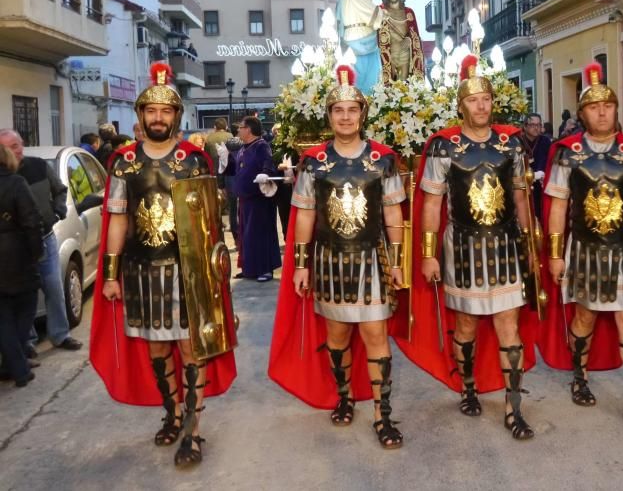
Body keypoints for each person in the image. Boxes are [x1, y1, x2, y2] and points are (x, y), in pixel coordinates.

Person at [89, 63, 237, 467]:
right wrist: (110, 274)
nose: (158, 118)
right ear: (141, 116)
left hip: (187, 271)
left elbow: (210, 221)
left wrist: (217, 271)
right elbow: (117, 218)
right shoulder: (123, 162)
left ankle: (192, 429)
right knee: (156, 347)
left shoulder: (194, 160)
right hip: (141, 271)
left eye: (166, 112)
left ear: (177, 116)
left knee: (192, 348)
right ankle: (171, 412)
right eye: (151, 112)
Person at [397, 55, 538, 440]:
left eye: (486, 99)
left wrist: (531, 245)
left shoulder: (511, 144)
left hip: (506, 244)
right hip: (462, 247)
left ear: (493, 103)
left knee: (510, 325)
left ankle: (513, 407)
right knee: (466, 325)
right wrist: (427, 254)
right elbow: (430, 203)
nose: (481, 106)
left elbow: (521, 198)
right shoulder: (445, 147)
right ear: (461, 105)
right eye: (473, 100)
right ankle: (469, 385)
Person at [269, 65, 407, 449]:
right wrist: (299, 265)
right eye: (338, 110)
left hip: (373, 262)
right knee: (338, 336)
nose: (345, 117)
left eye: (352, 109)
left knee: (376, 334)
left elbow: (394, 214)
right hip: (330, 262)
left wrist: (397, 263)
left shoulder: (384, 159)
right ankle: (345, 395)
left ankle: (382, 414)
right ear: (329, 116)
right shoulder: (313, 162)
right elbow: (306, 216)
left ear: (363, 114)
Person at [541, 62, 623, 434]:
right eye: (594, 107)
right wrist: (555, 254)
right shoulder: (568, 154)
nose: (601, 112)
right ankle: (579, 375)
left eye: (608, 106)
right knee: (585, 319)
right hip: (584, 250)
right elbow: (559, 207)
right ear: (582, 114)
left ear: (615, 109)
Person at [0, 129, 81, 353]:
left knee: (54, 288)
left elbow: (60, 191)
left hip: (45, 239)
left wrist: (57, 212)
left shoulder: (38, 166)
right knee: (24, 296)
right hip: (17, 248)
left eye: (15, 146)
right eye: (7, 148)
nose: (13, 152)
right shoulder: (4, 178)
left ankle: (60, 335)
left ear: (22, 144)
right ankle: (26, 342)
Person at [0, 144, 44, 387]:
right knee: (24, 311)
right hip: (17, 255)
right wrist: (36, 253)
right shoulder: (16, 183)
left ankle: (10, 366)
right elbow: (31, 221)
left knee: (3, 317)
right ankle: (19, 369)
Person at [227, 116, 283, 282]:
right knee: (246, 235)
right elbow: (235, 169)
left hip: (259, 198)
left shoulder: (261, 146)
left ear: (249, 130)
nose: (238, 130)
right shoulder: (244, 148)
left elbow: (268, 164)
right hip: (245, 198)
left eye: (241, 127)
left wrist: (265, 173)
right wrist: (225, 159)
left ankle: (265, 269)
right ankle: (249, 268)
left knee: (261, 234)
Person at [337, 0, 383, 93]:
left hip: (350, 37)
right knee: (368, 74)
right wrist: (384, 13)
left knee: (357, 72)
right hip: (362, 38)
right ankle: (367, 98)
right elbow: (375, 14)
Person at [377, 0, 425, 83]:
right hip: (389, 53)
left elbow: (414, 34)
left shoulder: (408, 12)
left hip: (405, 53)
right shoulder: (381, 11)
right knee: (389, 84)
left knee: (404, 84)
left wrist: (409, 40)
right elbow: (375, 31)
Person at [521, 113, 551, 217]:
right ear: (525, 126)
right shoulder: (519, 141)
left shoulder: (545, 141)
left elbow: (549, 160)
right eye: (532, 125)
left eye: (538, 125)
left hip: (540, 185)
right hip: (523, 184)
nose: (536, 128)